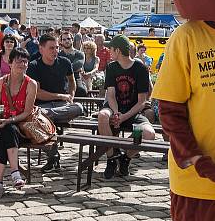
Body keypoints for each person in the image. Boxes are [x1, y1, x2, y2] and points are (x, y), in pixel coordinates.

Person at [98, 35, 155, 178]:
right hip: (114, 108)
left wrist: (124, 117)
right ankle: (111, 158)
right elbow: (110, 95)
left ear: (117, 50)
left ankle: (125, 157)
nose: (109, 51)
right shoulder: (111, 67)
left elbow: (142, 101)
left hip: (133, 112)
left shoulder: (140, 68)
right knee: (103, 116)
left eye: (111, 48)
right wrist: (117, 114)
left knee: (149, 134)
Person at [26, 33, 83, 172]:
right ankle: (53, 156)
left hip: (61, 107)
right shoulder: (34, 66)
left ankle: (44, 116)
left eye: (57, 47)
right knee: (34, 122)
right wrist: (61, 96)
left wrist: (70, 95)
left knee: (79, 108)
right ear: (41, 49)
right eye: (51, 48)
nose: (55, 51)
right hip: (42, 105)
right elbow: (37, 93)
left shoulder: (64, 62)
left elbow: (72, 81)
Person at [0, 47, 38, 199]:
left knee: (5, 134)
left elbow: (27, 112)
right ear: (10, 63)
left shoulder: (31, 84)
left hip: (23, 128)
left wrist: (8, 120)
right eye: (18, 61)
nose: (22, 64)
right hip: (4, 125)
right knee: (4, 131)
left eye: (25, 61)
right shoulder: (0, 83)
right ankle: (14, 173)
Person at [58, 31, 87, 97]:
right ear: (61, 42)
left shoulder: (79, 54)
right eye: (64, 39)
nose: (66, 41)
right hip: (62, 79)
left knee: (82, 90)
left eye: (68, 39)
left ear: (72, 40)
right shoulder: (58, 55)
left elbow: (76, 66)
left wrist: (62, 68)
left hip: (76, 78)